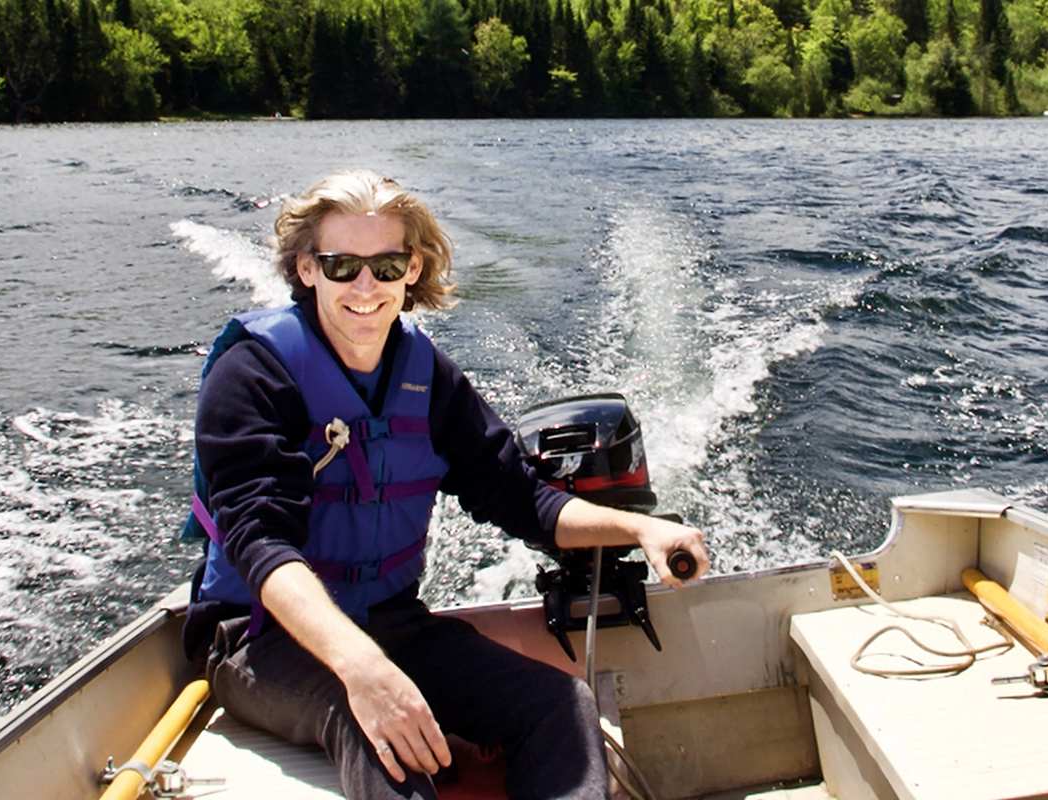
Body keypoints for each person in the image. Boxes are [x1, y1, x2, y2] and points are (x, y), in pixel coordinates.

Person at [181, 169, 709, 800]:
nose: (366, 286)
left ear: (412, 271)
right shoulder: (253, 375)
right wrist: (364, 670)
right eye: (342, 264)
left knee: (560, 704)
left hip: (397, 626)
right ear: (306, 269)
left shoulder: (428, 379)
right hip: (264, 638)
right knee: (369, 722)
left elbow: (518, 496)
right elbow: (261, 542)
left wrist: (642, 528)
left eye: (387, 264)